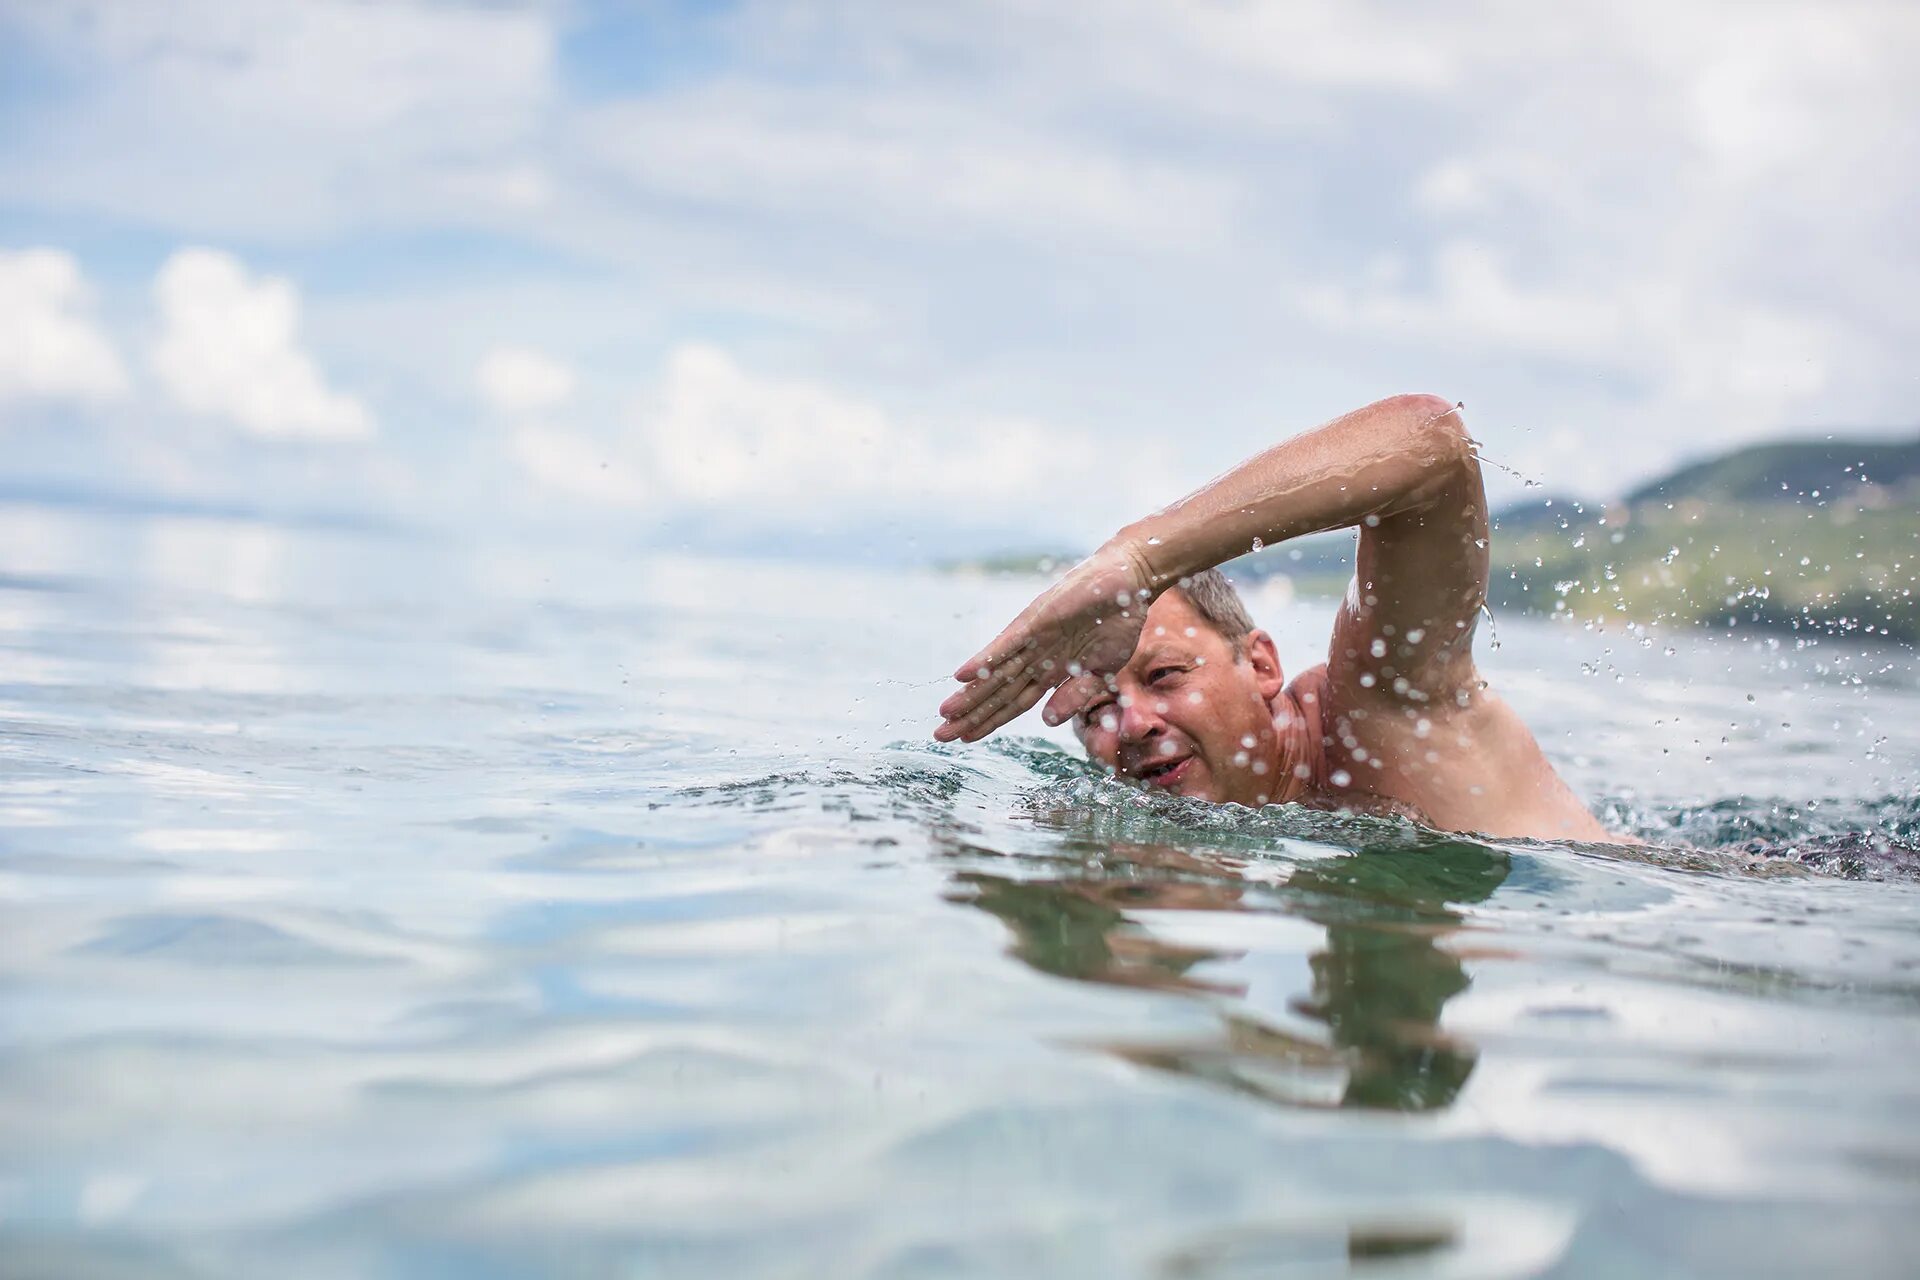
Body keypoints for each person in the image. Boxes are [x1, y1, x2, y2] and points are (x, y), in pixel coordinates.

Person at [933, 394, 1613, 841]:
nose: (1132, 725)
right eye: (1096, 712)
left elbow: (1432, 448)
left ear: (1260, 664)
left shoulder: (1375, 716)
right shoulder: (1166, 828)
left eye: (1165, 674)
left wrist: (1140, 558)